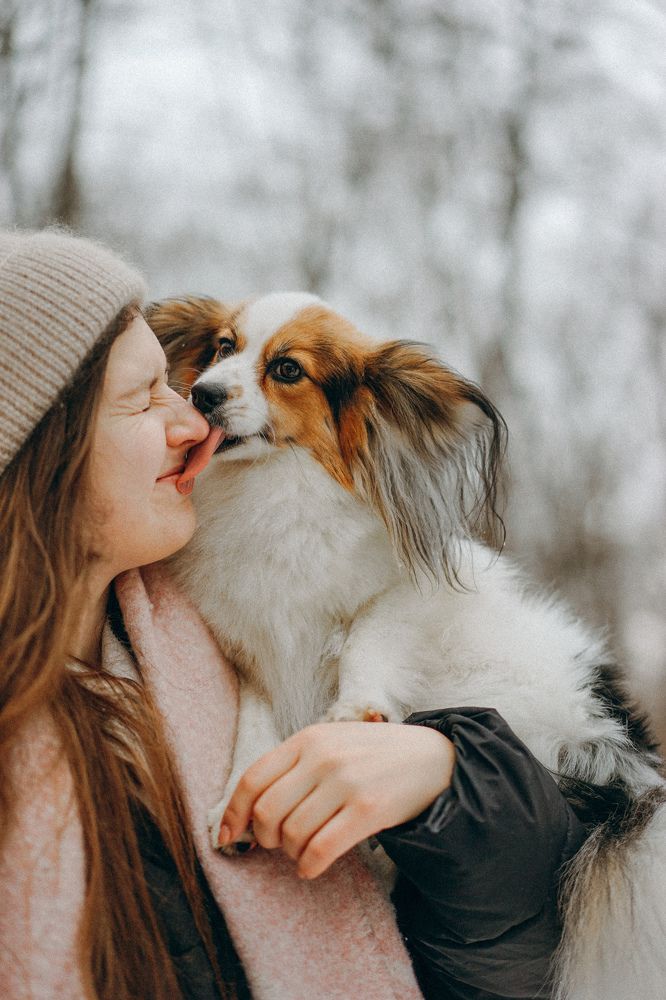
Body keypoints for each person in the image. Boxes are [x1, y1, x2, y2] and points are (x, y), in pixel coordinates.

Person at [0, 228, 586, 1000]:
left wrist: (456, 790)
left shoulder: (216, 639)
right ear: (44, 449)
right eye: (145, 396)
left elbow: (517, 963)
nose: (192, 414)